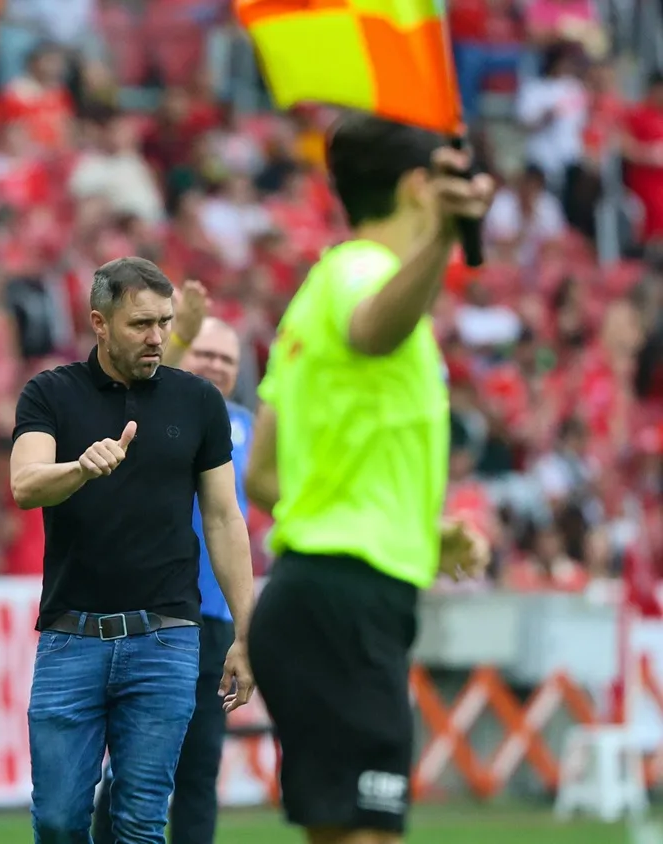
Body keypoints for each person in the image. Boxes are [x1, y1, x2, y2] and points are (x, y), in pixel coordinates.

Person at [243, 113, 495, 844]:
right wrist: (447, 238)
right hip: (345, 602)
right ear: (422, 188)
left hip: (315, 598)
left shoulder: (316, 288)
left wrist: (415, 525)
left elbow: (264, 475)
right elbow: (374, 329)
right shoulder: (363, 274)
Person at [10, 256, 256, 844]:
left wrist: (249, 632)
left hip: (166, 636)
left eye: (166, 323)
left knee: (141, 823)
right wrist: (79, 468)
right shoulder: (50, 393)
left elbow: (225, 519)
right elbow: (24, 485)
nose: (158, 337)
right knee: (60, 821)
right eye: (140, 324)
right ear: (100, 322)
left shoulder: (197, 402)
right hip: (71, 637)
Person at [92, 301, 255, 844]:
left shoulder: (251, 431)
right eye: (204, 351)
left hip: (212, 617)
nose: (215, 365)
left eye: (225, 358)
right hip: (153, 612)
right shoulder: (156, 416)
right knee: (133, 764)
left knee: (200, 768)